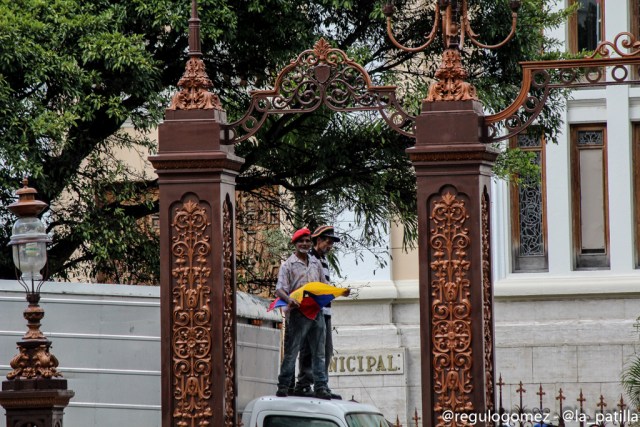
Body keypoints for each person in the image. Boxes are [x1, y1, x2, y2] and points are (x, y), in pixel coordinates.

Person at [275, 227, 331, 399]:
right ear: (295, 243)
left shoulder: (315, 263)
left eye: (307, 241)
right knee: (292, 351)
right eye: (301, 241)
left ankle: (321, 386)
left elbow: (323, 286)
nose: (305, 244)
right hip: (298, 312)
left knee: (319, 352)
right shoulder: (288, 265)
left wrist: (338, 292)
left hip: (316, 311)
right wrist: (290, 299)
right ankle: (284, 385)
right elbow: (279, 289)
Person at [293, 225, 348, 400]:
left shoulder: (323, 260)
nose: (330, 245)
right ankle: (304, 384)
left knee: (326, 349)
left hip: (325, 312)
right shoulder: (310, 259)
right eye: (327, 241)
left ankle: (320, 383)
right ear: (318, 240)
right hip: (312, 311)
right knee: (310, 349)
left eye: (331, 242)